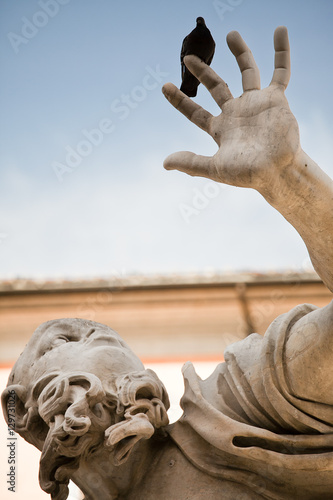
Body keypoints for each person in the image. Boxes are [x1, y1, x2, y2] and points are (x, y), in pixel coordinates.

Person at [2, 26, 333, 499]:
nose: (111, 346)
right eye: (63, 340)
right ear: (28, 418)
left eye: (103, 336)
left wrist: (290, 179)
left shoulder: (233, 404)